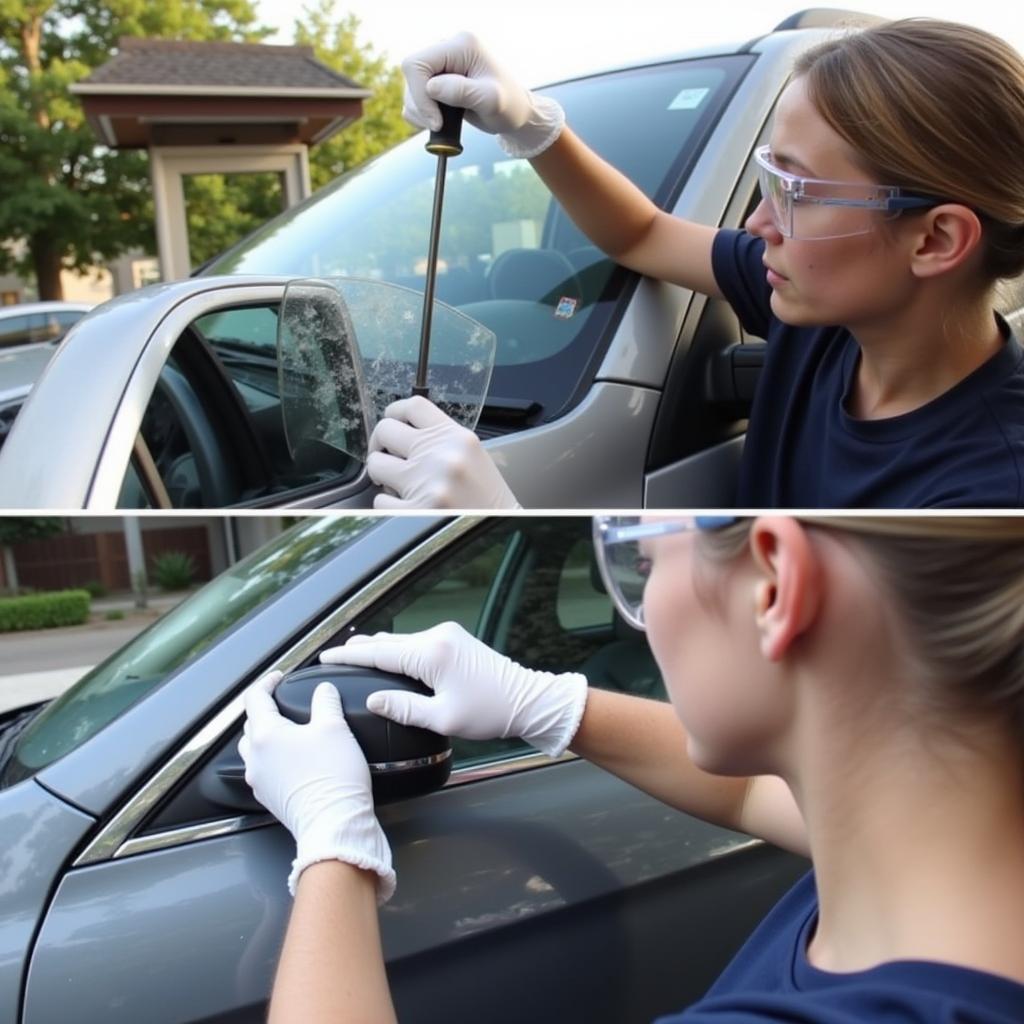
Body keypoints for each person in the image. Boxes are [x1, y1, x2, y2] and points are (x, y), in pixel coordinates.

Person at [240, 514, 1024, 1022]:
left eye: (643, 566)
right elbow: (759, 792)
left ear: (774, 585)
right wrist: (545, 704)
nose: (642, 614)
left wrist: (334, 844)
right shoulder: (938, 853)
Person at [365, 20, 1024, 509]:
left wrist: (506, 518)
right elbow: (643, 233)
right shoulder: (827, 315)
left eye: (792, 192)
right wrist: (534, 126)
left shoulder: (986, 491)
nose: (756, 225)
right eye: (768, 178)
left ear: (935, 241)